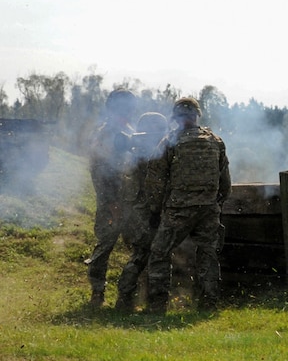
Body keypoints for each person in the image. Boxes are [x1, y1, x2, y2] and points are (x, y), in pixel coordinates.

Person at [145, 96, 231, 314]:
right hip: (208, 209)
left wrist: (155, 210)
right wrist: (214, 202)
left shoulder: (169, 142)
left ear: (176, 118)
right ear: (196, 115)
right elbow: (225, 183)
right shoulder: (215, 141)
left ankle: (156, 307)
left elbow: (155, 180)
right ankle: (208, 305)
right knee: (207, 254)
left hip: (178, 210)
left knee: (159, 253)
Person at [84, 88, 137, 309]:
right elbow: (100, 172)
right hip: (111, 202)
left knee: (138, 248)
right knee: (105, 247)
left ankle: (129, 297)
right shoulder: (105, 134)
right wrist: (112, 203)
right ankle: (98, 294)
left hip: (131, 202)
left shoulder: (129, 131)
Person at [114, 112, 170, 312]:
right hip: (147, 210)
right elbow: (155, 185)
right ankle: (128, 299)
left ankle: (128, 298)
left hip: (137, 210)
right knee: (144, 254)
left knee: (142, 254)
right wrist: (156, 211)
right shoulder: (149, 153)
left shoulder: (136, 150)